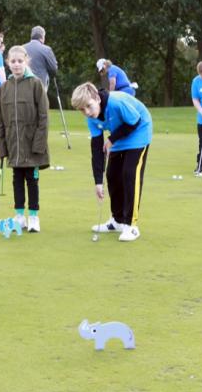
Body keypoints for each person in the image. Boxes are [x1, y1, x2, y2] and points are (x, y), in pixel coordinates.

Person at [71, 83, 152, 242]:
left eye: (89, 106)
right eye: (82, 110)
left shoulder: (116, 102)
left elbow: (134, 121)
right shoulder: (91, 119)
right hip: (119, 136)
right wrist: (98, 182)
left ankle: (131, 226)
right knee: (112, 175)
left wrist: (112, 139)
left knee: (129, 174)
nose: (87, 112)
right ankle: (117, 220)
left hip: (139, 131)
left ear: (97, 98)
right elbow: (96, 149)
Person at [0, 45, 49, 233]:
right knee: (17, 179)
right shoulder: (4, 88)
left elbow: (43, 117)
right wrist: (1, 146)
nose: (16, 64)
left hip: (32, 144)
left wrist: (39, 144)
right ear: (8, 63)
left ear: (26, 62)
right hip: (13, 144)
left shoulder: (36, 84)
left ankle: (33, 217)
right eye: (13, 61)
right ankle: (19, 216)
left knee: (32, 180)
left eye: (20, 61)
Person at [24, 26, 58, 90]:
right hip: (40, 85)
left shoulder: (22, 48)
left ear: (31, 36)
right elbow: (53, 69)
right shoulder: (46, 49)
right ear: (42, 37)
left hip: (24, 84)